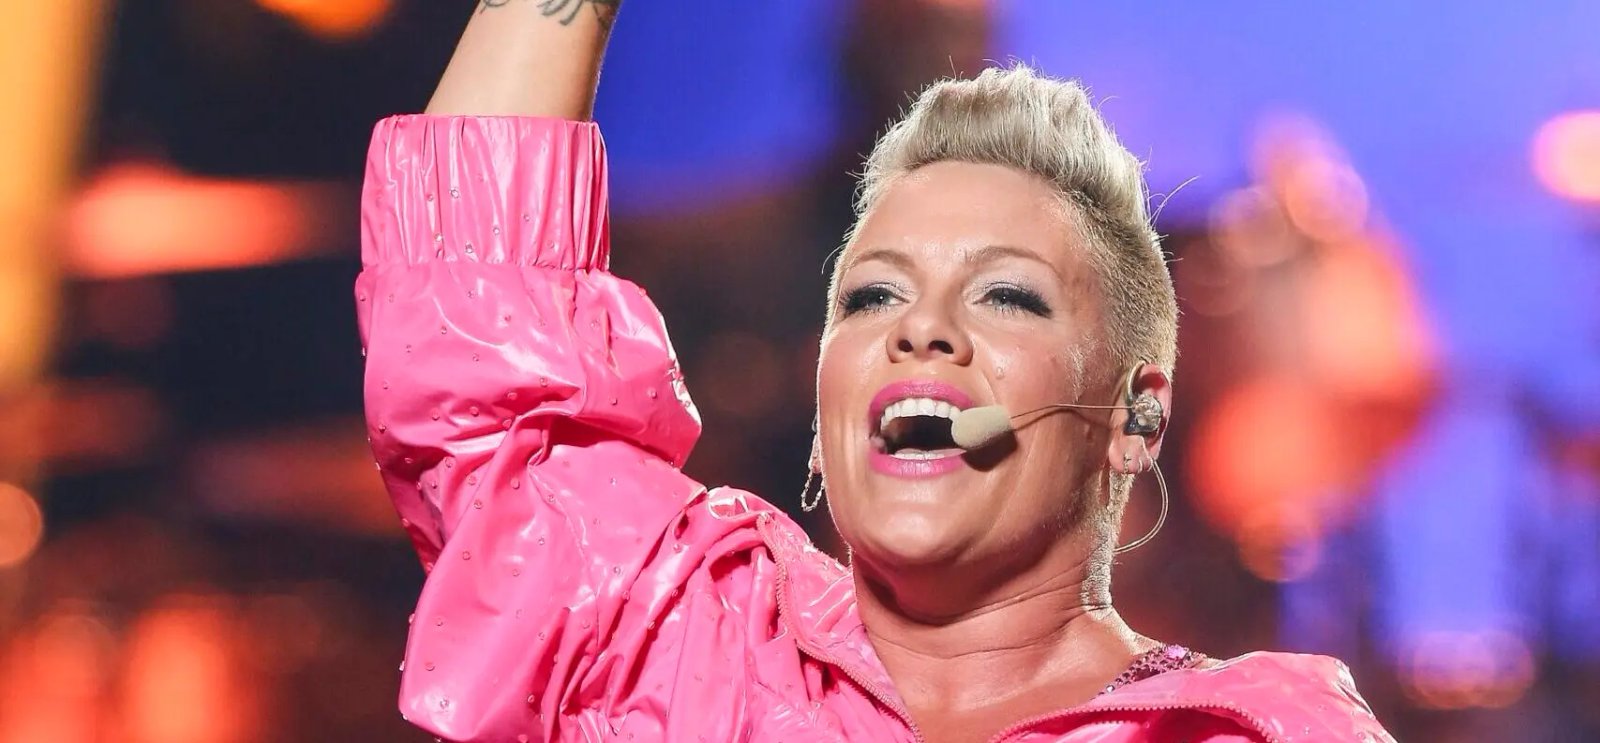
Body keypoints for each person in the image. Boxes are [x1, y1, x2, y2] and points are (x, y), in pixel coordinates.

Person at [356, 3, 1395, 741]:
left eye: (1006, 295)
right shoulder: (688, 644)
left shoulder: (1251, 730)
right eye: (872, 296)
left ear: (1134, 418)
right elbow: (471, 337)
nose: (920, 330)